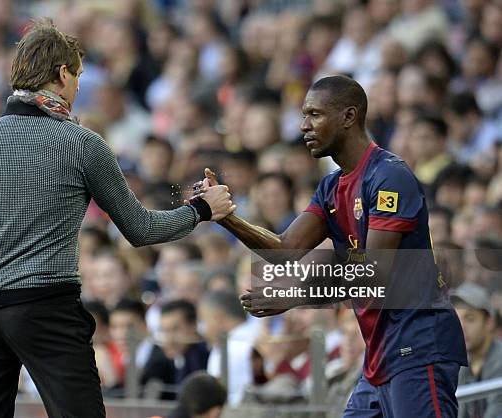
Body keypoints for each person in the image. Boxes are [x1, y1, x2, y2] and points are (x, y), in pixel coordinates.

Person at [0, 19, 234, 418]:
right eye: (78, 75)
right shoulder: (81, 143)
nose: (79, 86)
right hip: (48, 308)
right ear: (62, 73)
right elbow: (140, 230)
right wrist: (201, 210)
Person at [196, 76, 468, 417]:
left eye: (314, 114)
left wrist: (292, 295)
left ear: (348, 117)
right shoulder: (331, 187)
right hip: (381, 352)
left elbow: (375, 272)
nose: (303, 126)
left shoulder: (389, 176)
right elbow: (285, 249)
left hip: (419, 344)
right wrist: (223, 216)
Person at [452, 282, 502, 418]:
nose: (461, 327)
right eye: (456, 319)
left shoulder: (499, 360)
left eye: (470, 319)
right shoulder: (461, 364)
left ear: (489, 322)